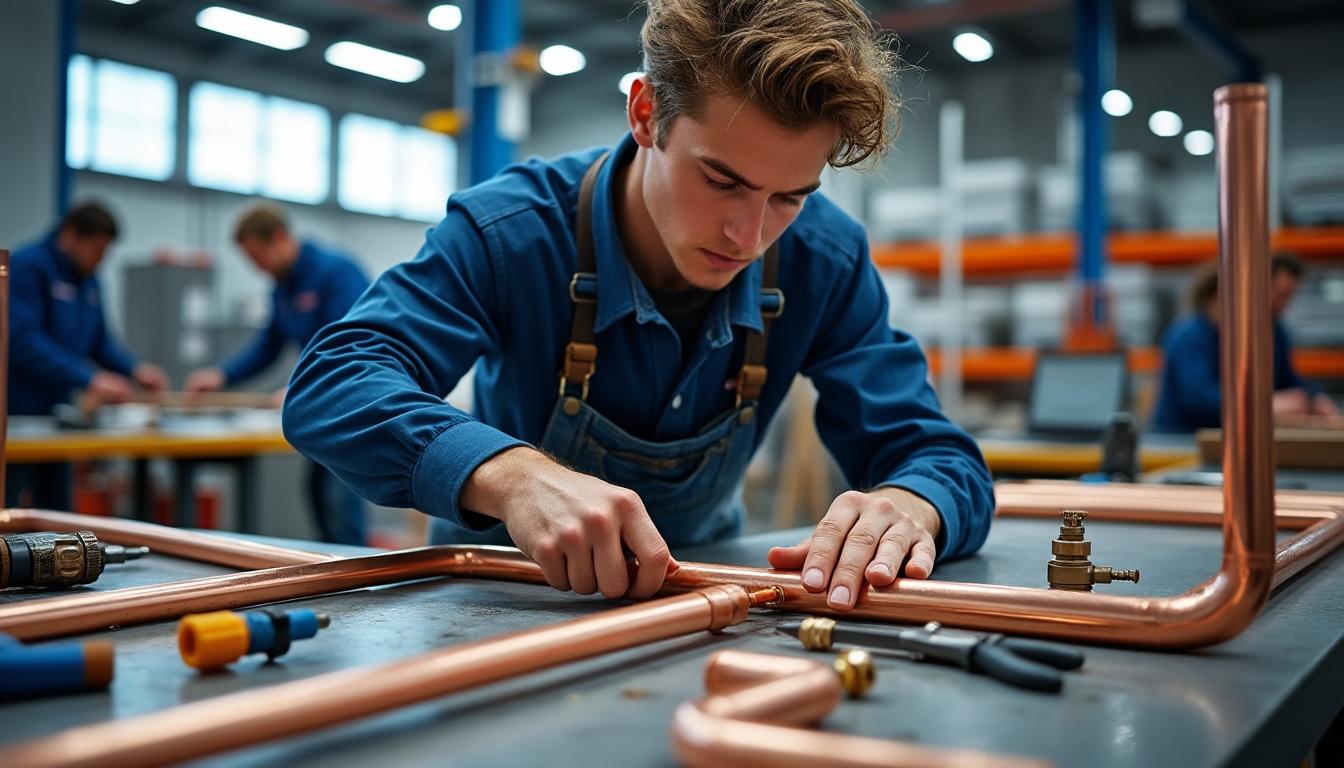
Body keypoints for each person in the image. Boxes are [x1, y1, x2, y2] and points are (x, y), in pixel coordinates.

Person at [283, 0, 994, 610]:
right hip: (500, 602)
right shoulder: (511, 233)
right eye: (722, 181)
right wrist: (511, 476)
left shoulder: (825, 259)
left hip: (707, 603)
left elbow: (933, 452)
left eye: (789, 197)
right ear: (646, 113)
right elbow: (334, 383)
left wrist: (913, 505)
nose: (747, 236)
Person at [184, 205, 372, 545]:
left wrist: (301, 386)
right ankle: (337, 588)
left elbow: (346, 345)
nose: (257, 268)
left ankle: (362, 590)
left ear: (280, 238)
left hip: (351, 405)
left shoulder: (337, 273)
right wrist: (221, 375)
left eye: (258, 257)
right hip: (322, 411)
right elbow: (268, 346)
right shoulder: (282, 288)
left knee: (341, 506)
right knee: (318, 500)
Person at [6, 202, 168, 508]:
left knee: (56, 512)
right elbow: (21, 340)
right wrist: (89, 378)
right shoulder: (28, 267)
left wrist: (135, 370)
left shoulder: (89, 280)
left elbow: (99, 343)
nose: (100, 260)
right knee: (9, 508)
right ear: (70, 235)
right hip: (17, 417)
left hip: (59, 418)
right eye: (96, 249)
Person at [1151, 254, 1339, 433]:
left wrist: (1315, 397)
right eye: (1281, 295)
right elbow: (1199, 400)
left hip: (1230, 439)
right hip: (1182, 441)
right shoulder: (1189, 336)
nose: (1285, 306)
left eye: (1290, 296)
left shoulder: (1273, 332)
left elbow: (1288, 379)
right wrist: (1264, 405)